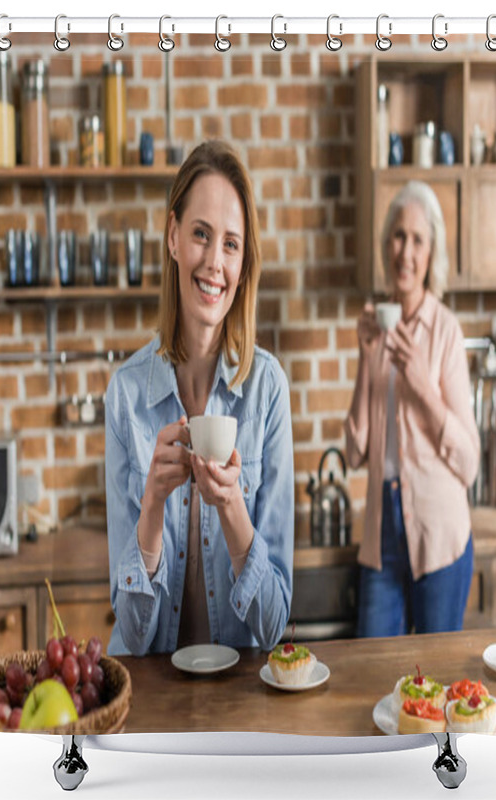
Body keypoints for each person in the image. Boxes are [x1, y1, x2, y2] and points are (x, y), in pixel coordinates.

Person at [104, 140, 294, 656]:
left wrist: (233, 509)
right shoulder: (126, 395)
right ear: (172, 236)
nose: (214, 263)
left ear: (243, 262)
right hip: (151, 706)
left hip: (236, 704)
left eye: (231, 244)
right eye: (201, 236)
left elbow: (274, 625)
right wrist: (150, 511)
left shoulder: (267, 391)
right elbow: (136, 637)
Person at [345, 180, 480, 638]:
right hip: (382, 532)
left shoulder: (446, 331)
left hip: (439, 532)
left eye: (417, 240)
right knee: (371, 676)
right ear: (386, 247)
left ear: (431, 253)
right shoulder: (377, 328)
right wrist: (367, 358)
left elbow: (469, 462)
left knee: (438, 683)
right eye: (398, 237)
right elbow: (354, 453)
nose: (406, 251)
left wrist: (423, 385)